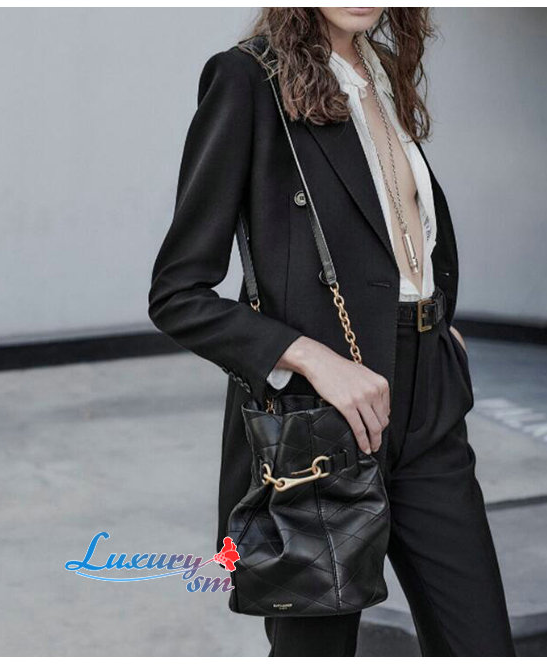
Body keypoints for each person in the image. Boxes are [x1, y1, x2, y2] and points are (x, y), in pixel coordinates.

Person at [148, 7, 516, 657]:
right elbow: (178, 293)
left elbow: (405, 230)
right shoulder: (248, 80)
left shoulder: (382, 69)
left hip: (428, 398)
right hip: (321, 420)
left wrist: (438, 327)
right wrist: (313, 359)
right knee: (315, 649)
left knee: (480, 640)